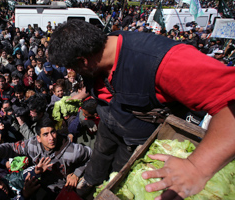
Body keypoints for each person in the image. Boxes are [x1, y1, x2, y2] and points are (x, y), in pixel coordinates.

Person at [48, 20, 235, 199]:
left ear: (83, 61)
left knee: (118, 172)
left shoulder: (163, 61)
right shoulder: (97, 60)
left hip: (136, 142)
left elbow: (230, 102)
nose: (71, 73)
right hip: (108, 127)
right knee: (99, 157)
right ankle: (90, 181)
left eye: (72, 68)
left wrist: (198, 167)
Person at [0, 118, 92, 199]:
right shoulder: (32, 145)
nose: (51, 138)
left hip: (66, 189)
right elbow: (13, 148)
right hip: (45, 188)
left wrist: (77, 173)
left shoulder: (72, 151)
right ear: (38, 138)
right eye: (46, 134)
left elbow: (93, 156)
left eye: (53, 132)